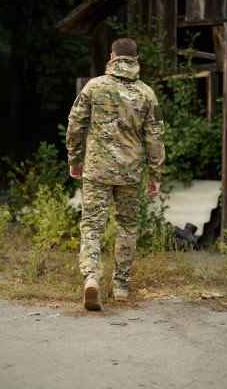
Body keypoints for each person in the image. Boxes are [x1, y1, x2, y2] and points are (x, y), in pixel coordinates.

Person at [66, 38, 165, 311]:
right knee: (127, 227)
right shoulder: (146, 94)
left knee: (92, 227)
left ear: (111, 56)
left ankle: (91, 277)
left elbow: (75, 124)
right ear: (137, 61)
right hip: (131, 174)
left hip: (97, 170)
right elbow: (155, 136)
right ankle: (120, 286)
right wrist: (155, 173)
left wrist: (74, 159)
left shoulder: (94, 87)